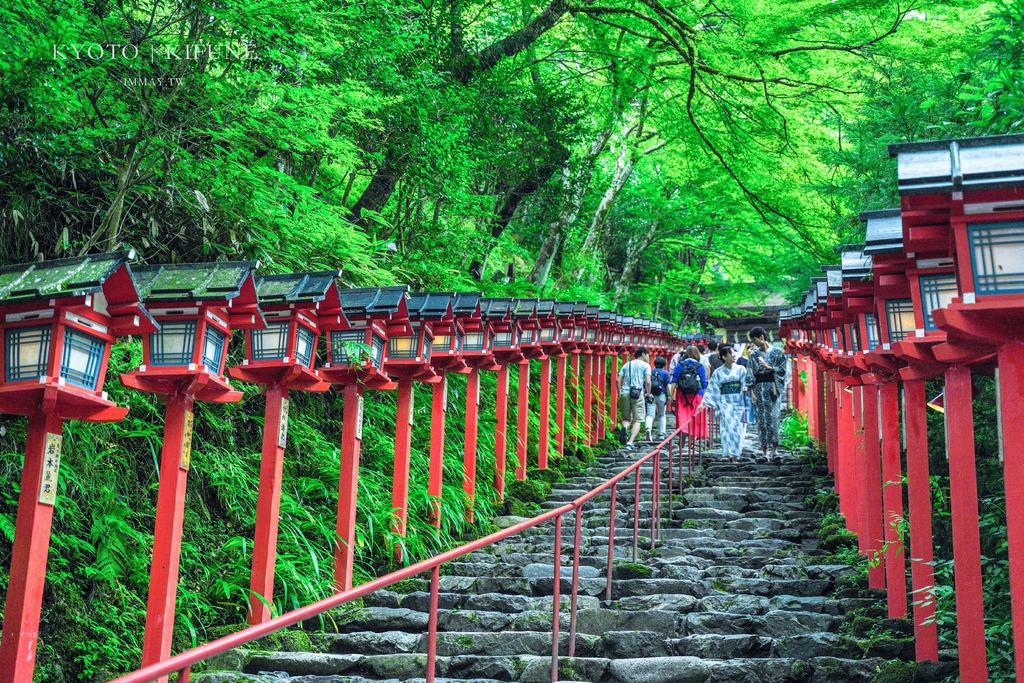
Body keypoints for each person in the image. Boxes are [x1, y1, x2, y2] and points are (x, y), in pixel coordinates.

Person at [699, 344, 748, 462]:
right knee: (726, 428)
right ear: (724, 357)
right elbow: (713, 388)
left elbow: (746, 383)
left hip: (738, 402)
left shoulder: (741, 369)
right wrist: (704, 402)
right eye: (731, 353)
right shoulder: (718, 372)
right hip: (724, 402)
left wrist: (746, 389)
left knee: (737, 428)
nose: (734, 355)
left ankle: (736, 454)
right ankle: (726, 453)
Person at [745, 326, 788, 460]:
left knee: (774, 419)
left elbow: (782, 370)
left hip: (773, 389)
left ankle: (775, 450)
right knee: (762, 421)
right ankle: (764, 452)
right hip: (759, 389)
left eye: (755, 340)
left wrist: (770, 368)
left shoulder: (778, 352)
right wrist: (752, 393)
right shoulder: (753, 355)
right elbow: (750, 374)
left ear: (762, 337)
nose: (754, 343)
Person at [669, 345, 707, 443]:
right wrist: (705, 397)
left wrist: (671, 395)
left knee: (682, 414)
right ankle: (691, 440)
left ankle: (683, 431)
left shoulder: (680, 365)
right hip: (697, 394)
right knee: (695, 416)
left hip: (682, 394)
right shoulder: (700, 366)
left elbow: (674, 381)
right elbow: (703, 383)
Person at [617, 346, 652, 450]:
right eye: (647, 354)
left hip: (624, 393)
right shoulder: (646, 366)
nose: (648, 357)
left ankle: (624, 428)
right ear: (643, 354)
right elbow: (648, 382)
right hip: (637, 394)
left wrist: (620, 393)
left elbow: (618, 380)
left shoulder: (626, 365)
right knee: (638, 419)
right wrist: (648, 393)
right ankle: (630, 442)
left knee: (627, 418)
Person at [645, 356, 671, 440]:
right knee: (662, 415)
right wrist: (671, 395)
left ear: (654, 364)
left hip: (651, 394)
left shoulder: (650, 372)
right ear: (664, 364)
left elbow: (646, 382)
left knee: (650, 414)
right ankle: (661, 434)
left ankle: (648, 428)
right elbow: (668, 385)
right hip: (662, 395)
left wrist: (647, 393)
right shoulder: (665, 373)